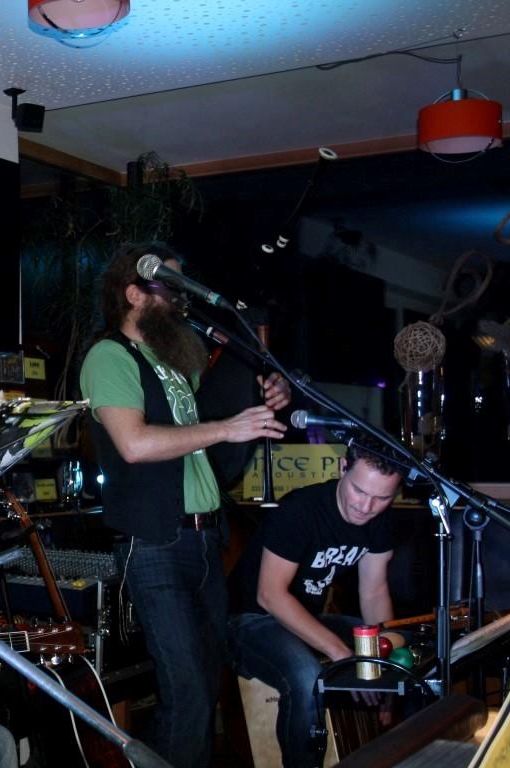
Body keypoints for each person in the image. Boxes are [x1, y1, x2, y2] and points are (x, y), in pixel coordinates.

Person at [79, 241, 290, 768]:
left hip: (203, 539)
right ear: (133, 294)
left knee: (204, 687)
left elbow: (209, 416)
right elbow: (134, 444)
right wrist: (227, 428)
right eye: (168, 288)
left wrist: (266, 394)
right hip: (155, 543)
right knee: (187, 692)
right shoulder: (109, 356)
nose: (178, 299)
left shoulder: (174, 361)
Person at [228, 440, 402, 768]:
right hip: (251, 619)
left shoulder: (381, 521)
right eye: (359, 491)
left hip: (306, 617)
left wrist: (384, 666)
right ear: (342, 468)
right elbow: (270, 595)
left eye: (382, 498)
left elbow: (374, 592)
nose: (366, 506)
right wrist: (341, 653)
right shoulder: (300, 511)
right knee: (307, 676)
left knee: (398, 647)